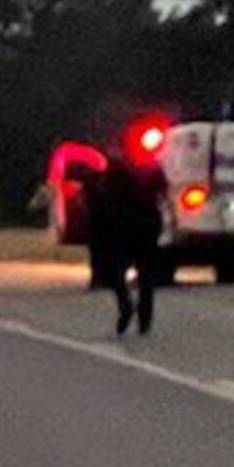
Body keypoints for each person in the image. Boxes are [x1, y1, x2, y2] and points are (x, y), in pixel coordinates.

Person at [83, 141, 169, 336]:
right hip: (146, 227)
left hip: (122, 230)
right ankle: (143, 319)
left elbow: (99, 204)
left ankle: (127, 307)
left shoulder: (112, 174)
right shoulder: (149, 171)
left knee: (116, 274)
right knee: (145, 276)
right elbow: (162, 192)